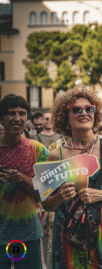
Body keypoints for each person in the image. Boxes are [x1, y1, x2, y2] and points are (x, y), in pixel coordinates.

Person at [42, 86, 102, 269]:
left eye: (89, 108)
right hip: (68, 233)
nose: (84, 113)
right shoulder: (56, 155)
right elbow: (46, 204)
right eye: (76, 110)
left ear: (95, 114)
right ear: (66, 119)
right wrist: (61, 196)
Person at [0, 94, 49, 269]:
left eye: (22, 113)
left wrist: (23, 180)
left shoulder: (38, 151)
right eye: (11, 113)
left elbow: (44, 197)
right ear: (2, 118)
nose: (17, 118)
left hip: (28, 233)